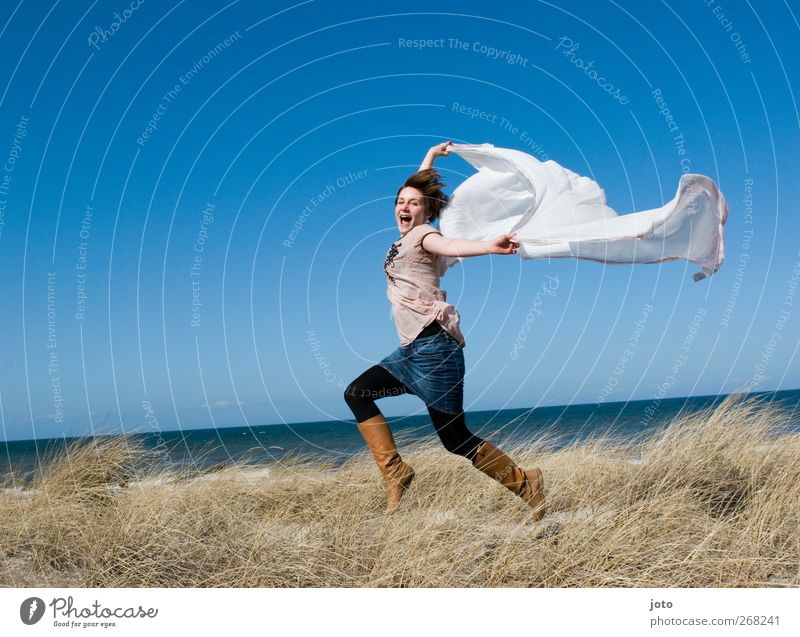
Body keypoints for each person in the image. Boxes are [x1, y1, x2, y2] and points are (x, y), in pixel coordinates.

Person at [344, 141, 545, 520]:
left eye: (413, 203)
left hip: (435, 350)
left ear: (427, 211)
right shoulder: (404, 239)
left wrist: (489, 246)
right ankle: (396, 473)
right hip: (410, 353)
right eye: (400, 201)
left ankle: (526, 482)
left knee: (455, 438)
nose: (404, 207)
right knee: (358, 393)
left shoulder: (423, 237)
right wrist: (431, 158)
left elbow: (447, 241)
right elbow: (419, 190)